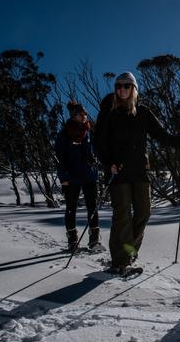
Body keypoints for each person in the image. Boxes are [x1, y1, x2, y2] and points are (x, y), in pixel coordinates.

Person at [94, 72, 180, 275]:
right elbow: (98, 142)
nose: (121, 89)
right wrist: (108, 163)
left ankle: (128, 252)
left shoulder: (143, 112)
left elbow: (162, 135)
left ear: (134, 89)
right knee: (122, 217)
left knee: (144, 213)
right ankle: (120, 262)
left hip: (140, 171)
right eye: (118, 86)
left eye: (126, 86)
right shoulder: (109, 112)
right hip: (118, 172)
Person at [54, 101, 104, 252]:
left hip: (89, 176)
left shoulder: (88, 133)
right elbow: (59, 159)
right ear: (74, 115)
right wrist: (63, 178)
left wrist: (93, 159)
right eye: (82, 114)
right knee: (71, 208)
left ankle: (94, 241)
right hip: (71, 178)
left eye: (85, 114)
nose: (85, 116)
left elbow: (93, 152)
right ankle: (72, 241)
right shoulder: (63, 135)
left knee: (93, 208)